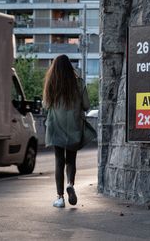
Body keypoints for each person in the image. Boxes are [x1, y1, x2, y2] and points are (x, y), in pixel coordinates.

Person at [43, 54, 90, 208]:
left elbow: (45, 104)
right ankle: (70, 183)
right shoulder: (79, 83)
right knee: (71, 160)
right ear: (70, 67)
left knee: (59, 161)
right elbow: (86, 105)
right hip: (73, 127)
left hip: (56, 126)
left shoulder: (52, 83)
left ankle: (60, 197)